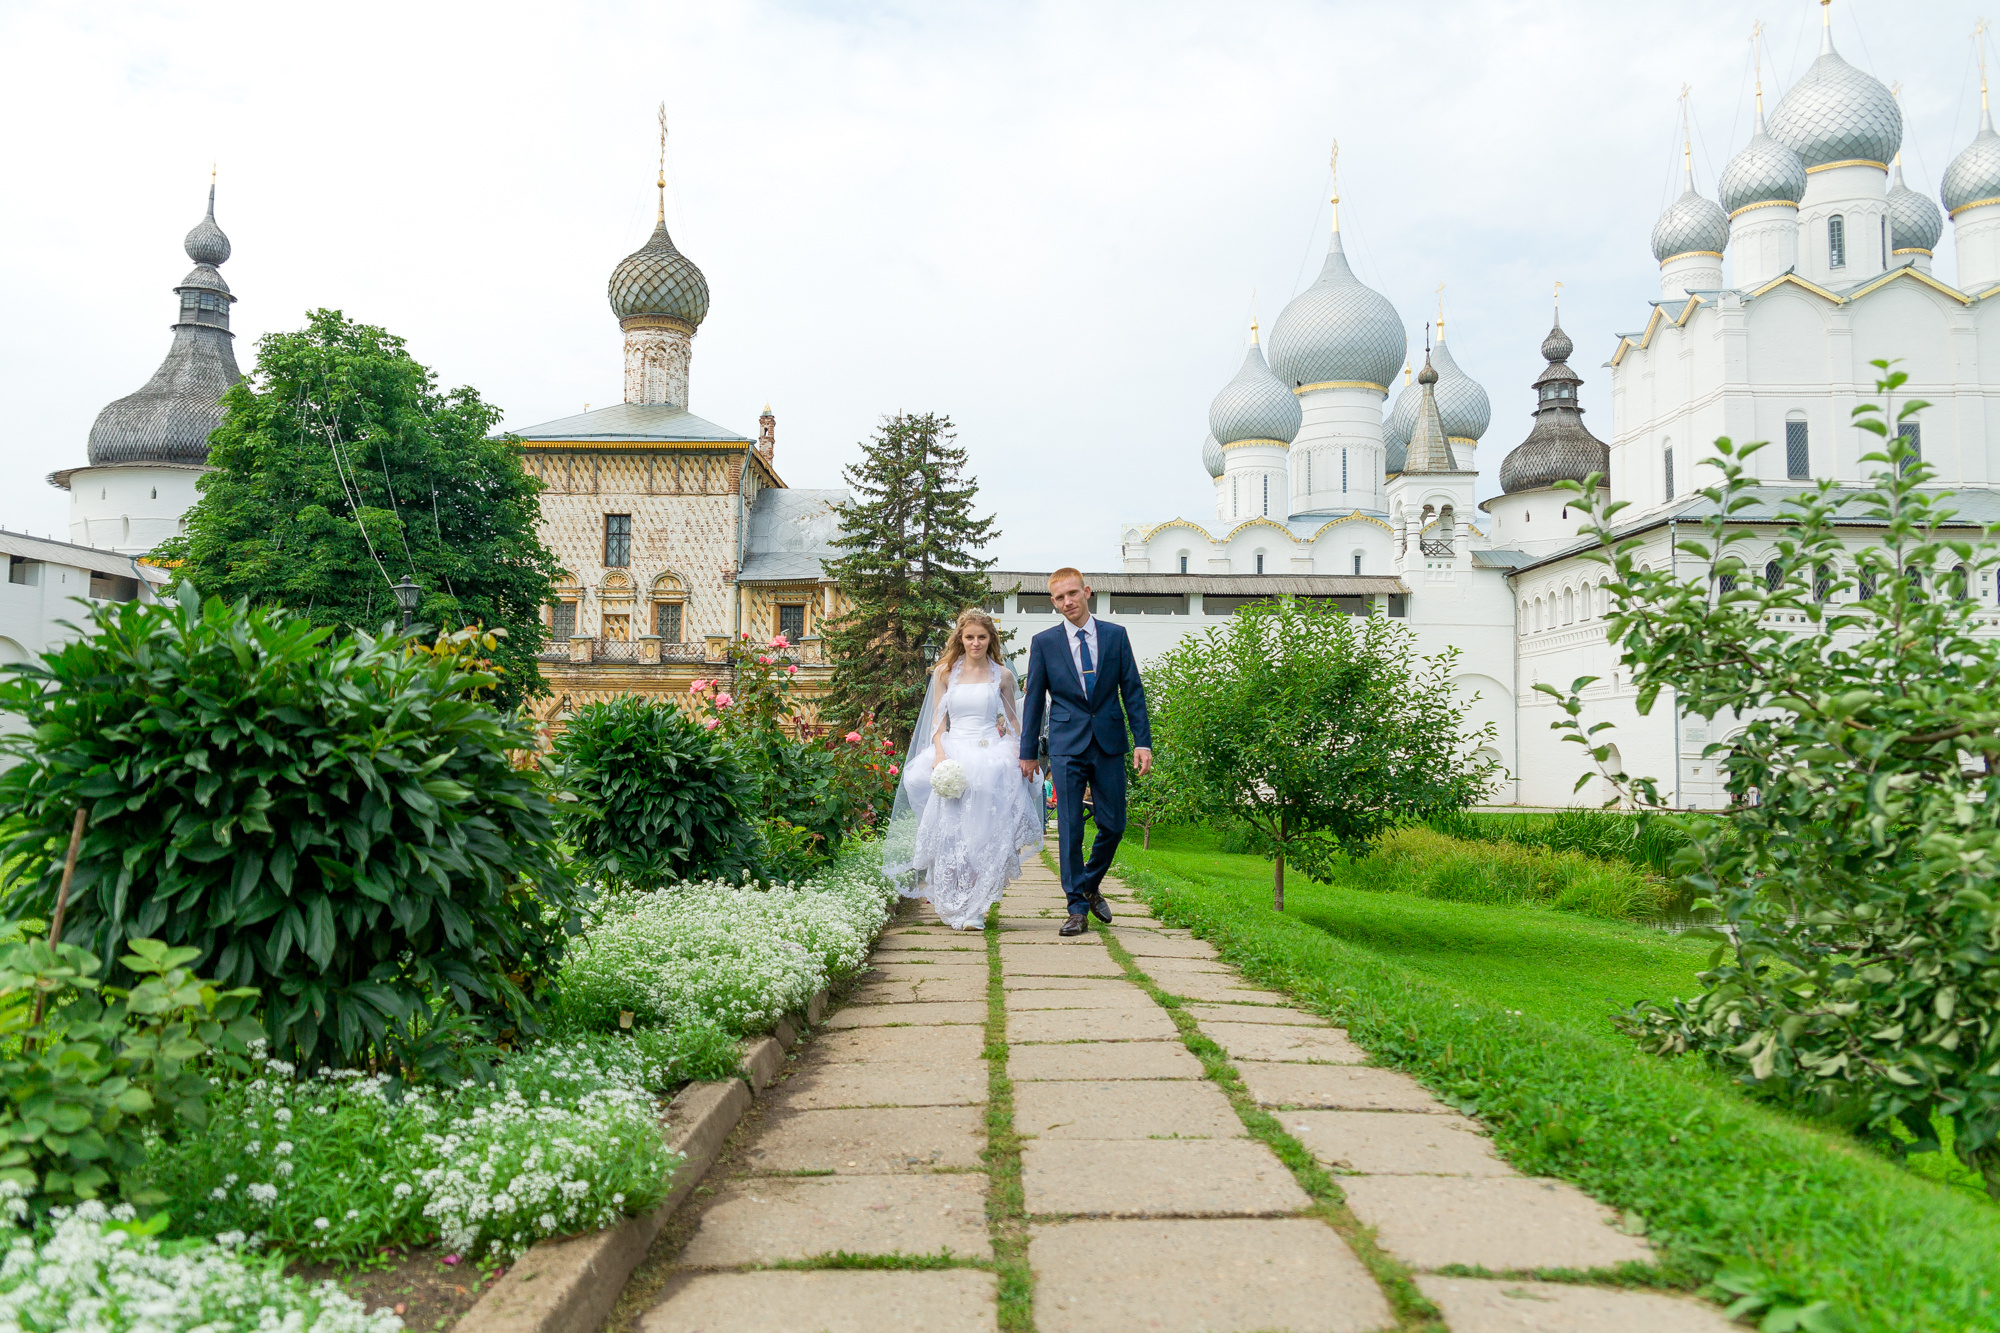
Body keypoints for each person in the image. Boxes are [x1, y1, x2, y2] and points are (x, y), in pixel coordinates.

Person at [882, 609, 1044, 929]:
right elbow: (938, 720)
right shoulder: (945, 673)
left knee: (981, 831)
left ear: (990, 639)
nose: (975, 643)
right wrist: (940, 753)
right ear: (961, 638)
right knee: (951, 828)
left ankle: (975, 907)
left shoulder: (1002, 676)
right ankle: (952, 895)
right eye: (969, 637)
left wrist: (1022, 752)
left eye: (982, 637)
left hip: (988, 752)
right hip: (954, 749)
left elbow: (1013, 720)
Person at [1018, 568, 1152, 936]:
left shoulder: (1115, 636)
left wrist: (1143, 742)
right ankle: (1076, 908)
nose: (1068, 602)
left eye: (1073, 593)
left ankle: (1089, 883)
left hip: (1109, 742)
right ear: (1053, 602)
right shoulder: (1044, 643)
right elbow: (1034, 701)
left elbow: (1132, 690)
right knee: (1070, 827)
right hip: (1066, 745)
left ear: (1087, 591)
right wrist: (1028, 751)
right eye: (1060, 597)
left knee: (1114, 824)